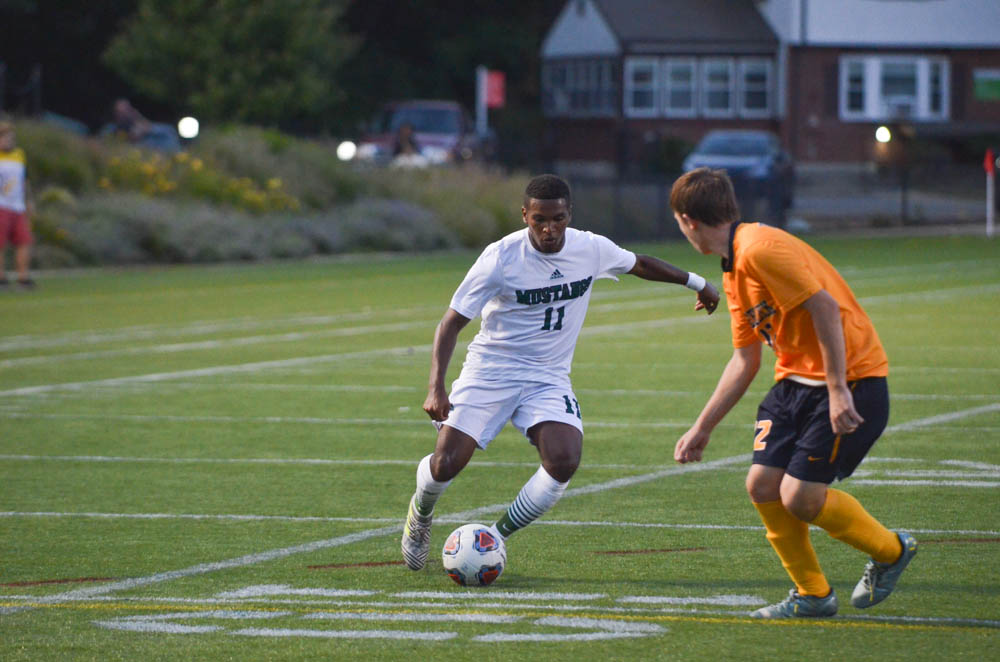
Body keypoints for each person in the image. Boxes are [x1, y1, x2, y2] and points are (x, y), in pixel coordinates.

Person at [401, 173, 720, 571]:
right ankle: (421, 515)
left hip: (547, 377)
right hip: (491, 373)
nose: (550, 229)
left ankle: (493, 539)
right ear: (524, 216)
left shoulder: (590, 248)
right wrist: (436, 386)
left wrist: (698, 282)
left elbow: (639, 264)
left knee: (564, 459)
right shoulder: (499, 259)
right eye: (539, 220)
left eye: (558, 219)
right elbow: (450, 323)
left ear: (570, 214)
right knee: (446, 464)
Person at [670, 167, 916, 619]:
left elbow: (824, 307)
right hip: (795, 385)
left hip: (853, 381)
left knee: (800, 497)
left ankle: (892, 550)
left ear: (687, 220)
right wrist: (701, 428)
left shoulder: (760, 249)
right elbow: (745, 360)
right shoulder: (733, 268)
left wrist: (840, 390)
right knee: (762, 485)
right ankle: (813, 595)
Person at [0, 121, 35, 289]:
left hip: (17, 206)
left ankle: (23, 278)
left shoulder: (19, 154)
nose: (9, 141)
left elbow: (24, 180)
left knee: (24, 241)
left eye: (10, 137)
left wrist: (29, 200)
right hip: (1, 205)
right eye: (5, 137)